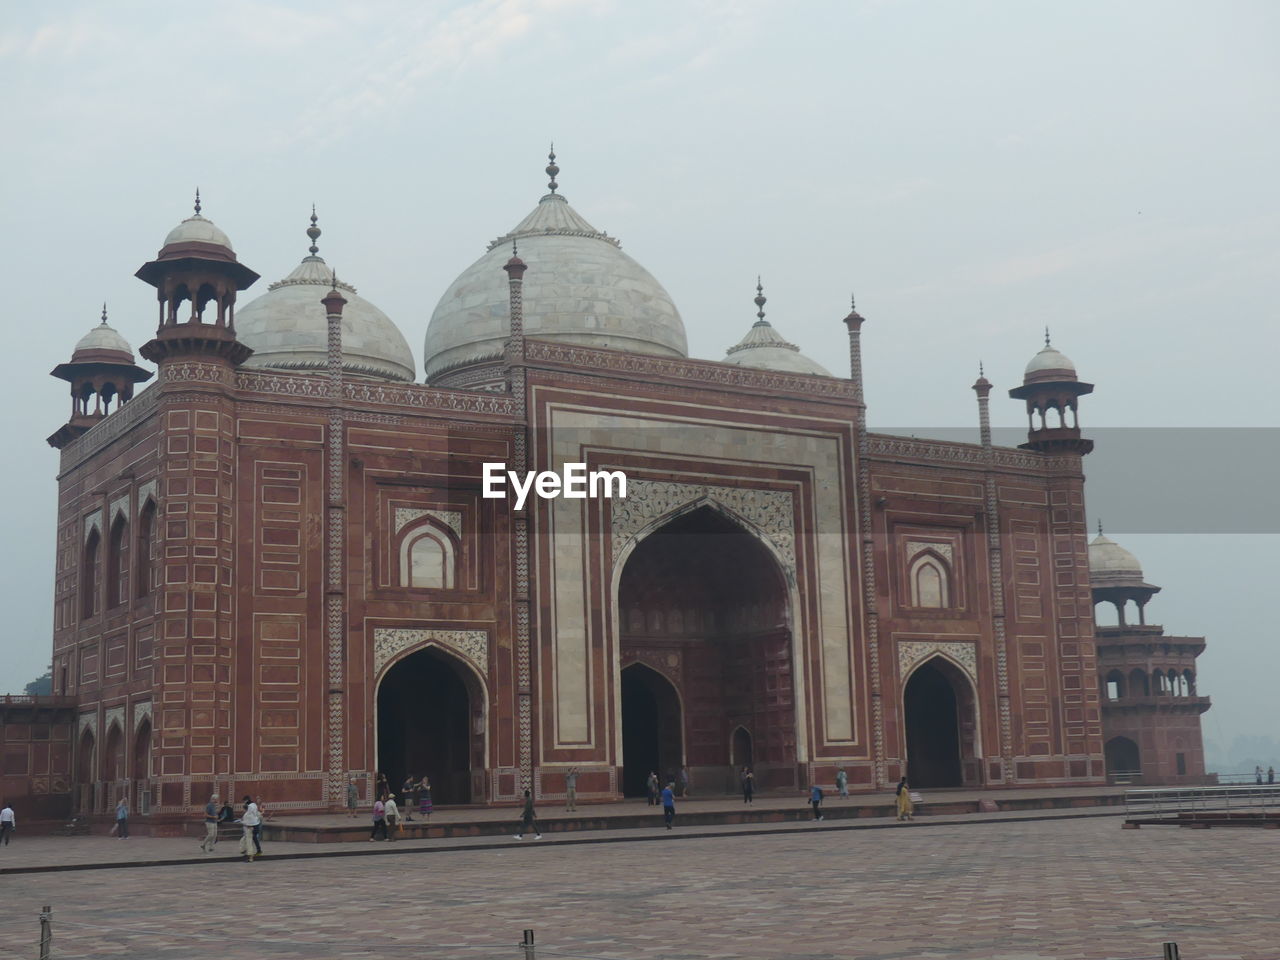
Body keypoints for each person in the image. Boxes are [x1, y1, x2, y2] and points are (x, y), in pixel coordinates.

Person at [239, 795, 261, 862]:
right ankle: (244, 850)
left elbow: (246, 823)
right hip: (256, 824)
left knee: (249, 842)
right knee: (244, 840)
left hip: (249, 828)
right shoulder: (254, 805)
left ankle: (250, 857)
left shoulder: (247, 814)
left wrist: (242, 821)